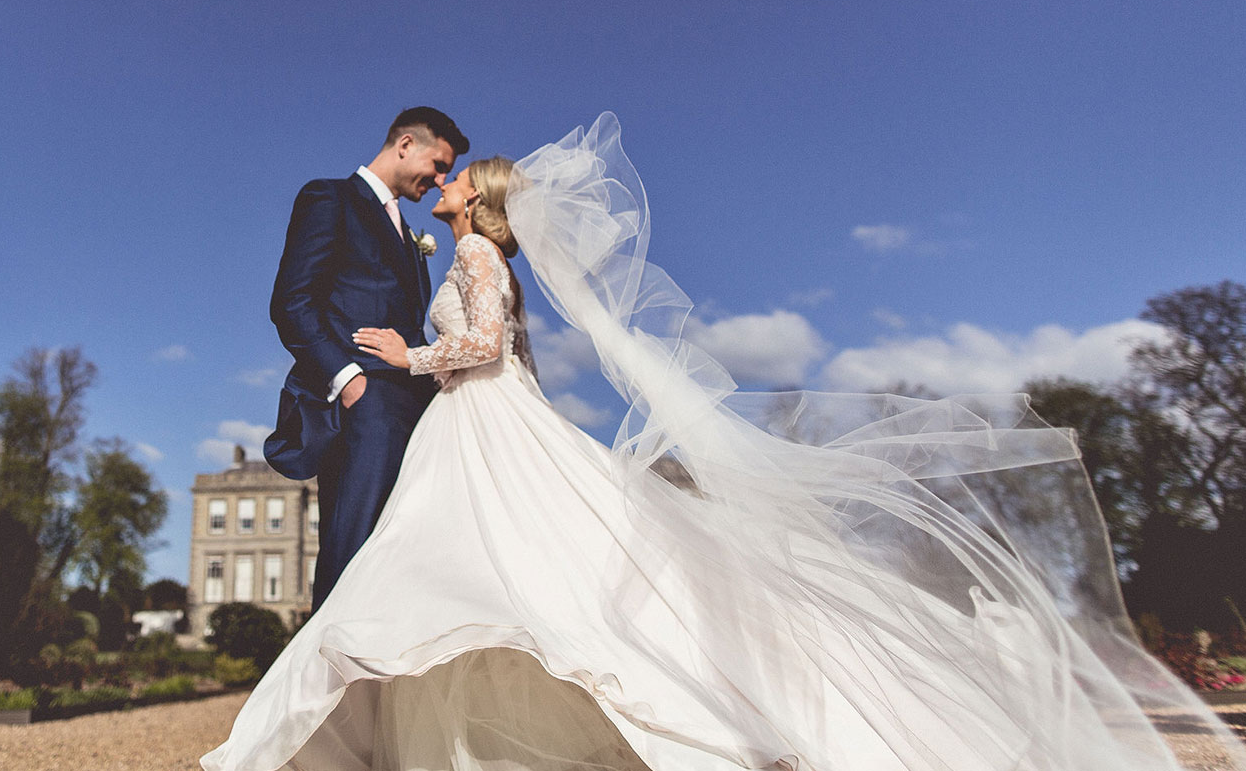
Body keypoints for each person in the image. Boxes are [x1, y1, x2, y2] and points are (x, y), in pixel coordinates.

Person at [210, 115, 1246, 770]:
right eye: (439, 167)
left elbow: (480, 346)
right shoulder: (461, 241)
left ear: (472, 195)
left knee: (498, 568)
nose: (441, 183)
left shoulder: (474, 252)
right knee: (506, 568)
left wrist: (400, 353)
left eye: (452, 176)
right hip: (477, 426)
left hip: (479, 418)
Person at [263, 107, 468, 610]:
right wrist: (349, 380)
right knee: (354, 548)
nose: (440, 180)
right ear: (404, 144)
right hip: (366, 406)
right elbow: (292, 302)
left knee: (403, 557)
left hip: (415, 409)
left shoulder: (410, 235)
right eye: (438, 164)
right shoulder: (329, 198)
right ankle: (327, 682)